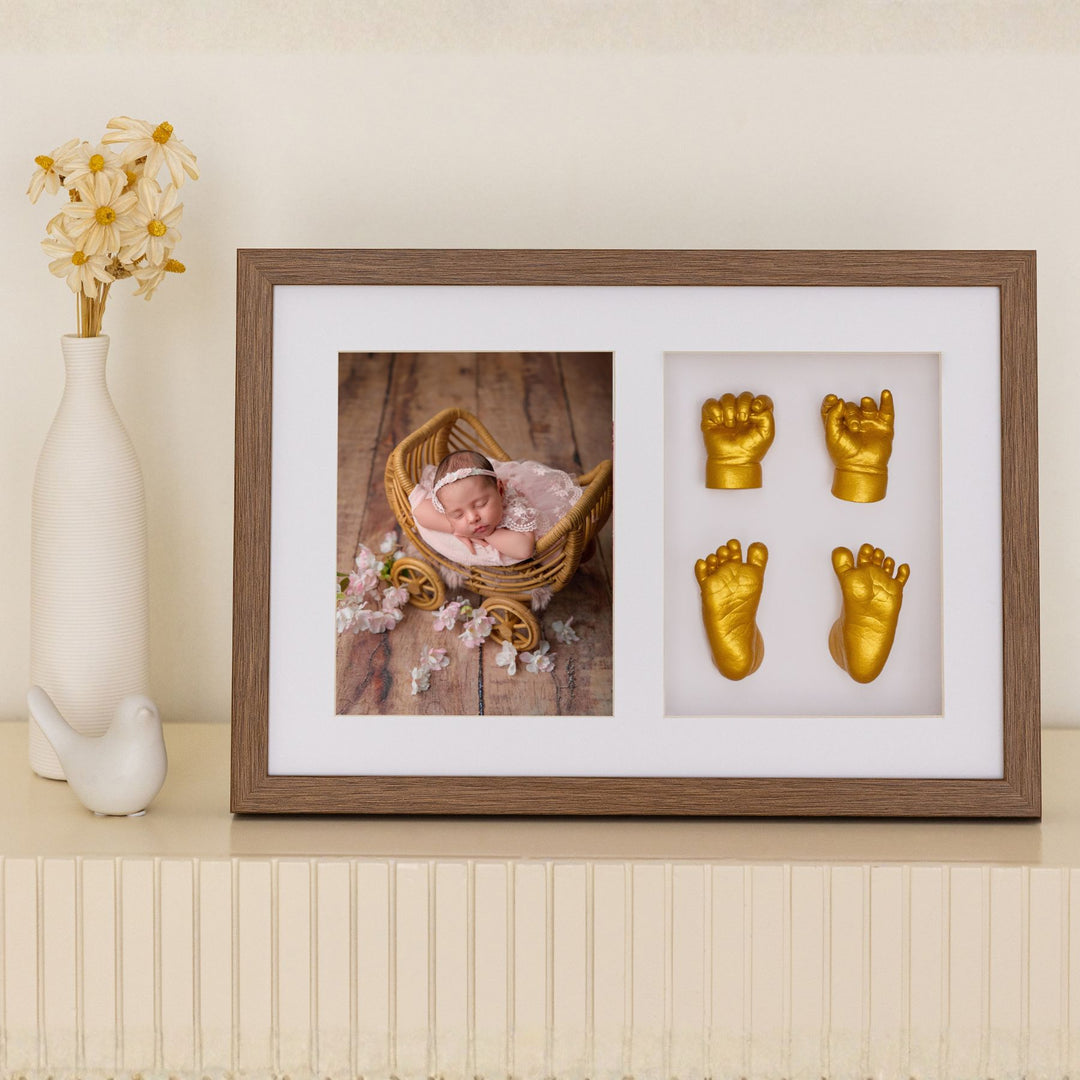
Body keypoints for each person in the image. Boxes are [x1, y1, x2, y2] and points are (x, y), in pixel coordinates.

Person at [409, 449, 582, 566]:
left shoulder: (515, 507)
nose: (472, 518)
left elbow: (524, 549)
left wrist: (488, 535)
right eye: (457, 514)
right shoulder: (452, 499)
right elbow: (419, 511)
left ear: (500, 490)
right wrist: (455, 528)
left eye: (481, 504)